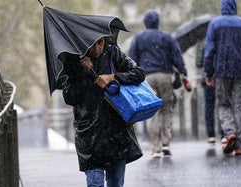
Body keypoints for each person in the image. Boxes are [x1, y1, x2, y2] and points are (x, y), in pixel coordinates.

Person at [62, 36, 145, 186]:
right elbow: (69, 97)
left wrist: (114, 77)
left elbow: (139, 73)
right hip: (89, 134)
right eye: (93, 44)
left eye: (101, 42)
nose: (97, 48)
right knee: (94, 183)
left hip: (116, 131)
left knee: (115, 183)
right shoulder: (74, 61)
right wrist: (83, 73)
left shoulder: (113, 53)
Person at [128, 10, 192, 158]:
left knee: (152, 112)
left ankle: (155, 147)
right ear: (158, 22)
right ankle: (166, 144)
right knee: (167, 109)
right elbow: (177, 57)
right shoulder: (167, 37)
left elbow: (132, 59)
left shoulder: (138, 38)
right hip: (165, 75)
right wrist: (183, 74)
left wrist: (131, 76)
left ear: (145, 23)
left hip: (147, 77)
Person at [204, 0, 241, 156]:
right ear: (234, 7)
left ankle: (230, 132)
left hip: (221, 72)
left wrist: (209, 72)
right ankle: (239, 146)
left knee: (223, 104)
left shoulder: (214, 24)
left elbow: (209, 52)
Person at [195, 39, 216, 144]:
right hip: (222, 76)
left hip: (207, 77)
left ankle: (211, 135)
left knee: (209, 106)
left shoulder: (203, 41)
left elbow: (198, 63)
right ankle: (226, 133)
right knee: (224, 104)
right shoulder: (221, 38)